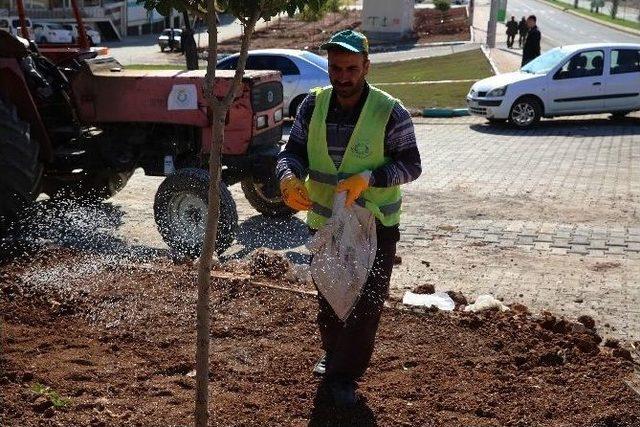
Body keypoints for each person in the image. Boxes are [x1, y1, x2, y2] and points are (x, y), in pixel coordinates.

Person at [275, 29, 422, 408]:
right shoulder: (312, 106)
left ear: (367, 67)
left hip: (375, 226)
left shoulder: (390, 111)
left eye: (351, 68)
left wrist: (370, 177)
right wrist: (288, 176)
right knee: (330, 297)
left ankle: (344, 376)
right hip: (326, 225)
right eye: (336, 68)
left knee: (365, 304)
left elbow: (412, 165)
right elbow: (292, 151)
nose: (343, 77)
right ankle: (334, 354)